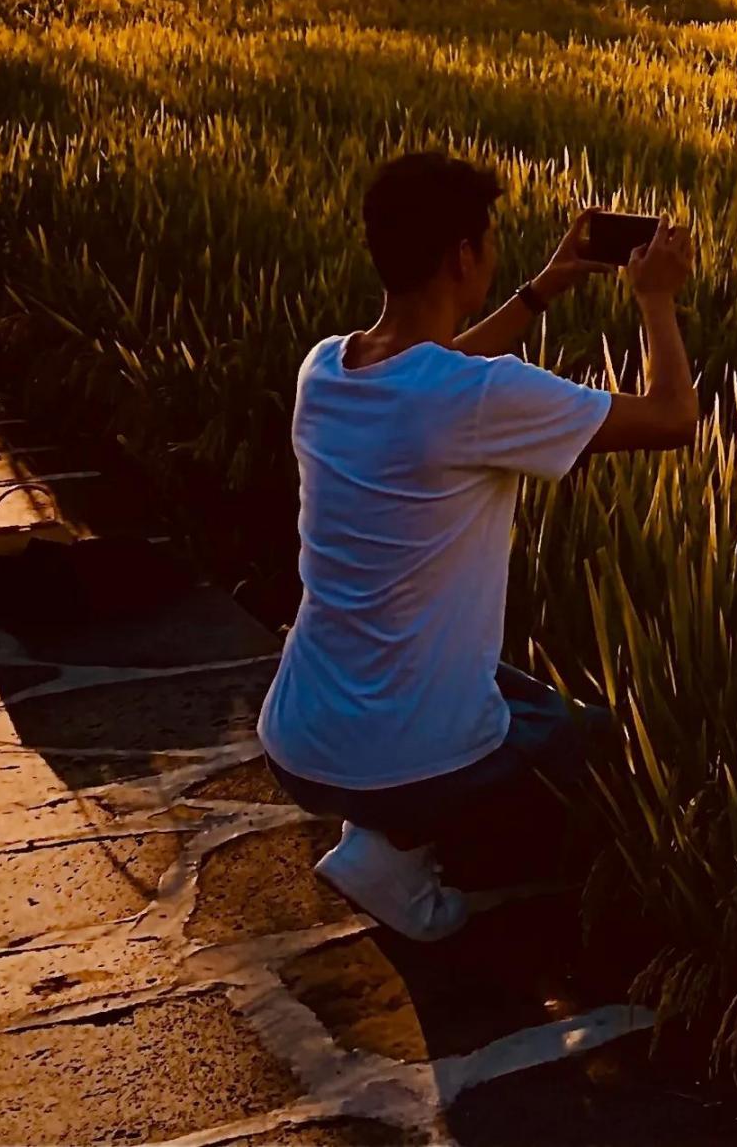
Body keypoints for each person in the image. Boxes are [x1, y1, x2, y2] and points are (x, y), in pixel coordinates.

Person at [258, 151, 699, 941]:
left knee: (513, 686)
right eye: (489, 238)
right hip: (398, 755)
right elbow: (672, 418)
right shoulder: (481, 397)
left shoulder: (325, 368)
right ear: (464, 256)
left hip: (296, 737)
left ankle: (383, 825)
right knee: (590, 739)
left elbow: (433, 367)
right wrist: (657, 301)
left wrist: (545, 286)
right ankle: (402, 850)